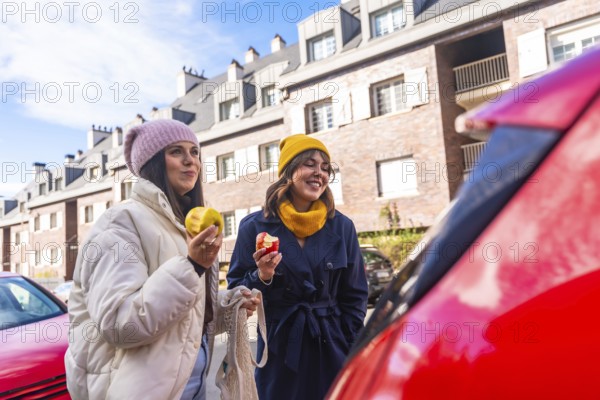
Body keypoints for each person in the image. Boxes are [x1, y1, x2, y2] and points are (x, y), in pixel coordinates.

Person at [64, 119, 259, 400]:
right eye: (176, 151)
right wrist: (192, 266)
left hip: (191, 388)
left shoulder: (185, 225)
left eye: (194, 152)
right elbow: (121, 324)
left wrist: (231, 305)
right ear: (153, 162)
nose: (190, 161)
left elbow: (182, 318)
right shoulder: (119, 223)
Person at [227, 134, 368, 399]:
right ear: (289, 172)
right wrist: (262, 276)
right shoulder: (254, 227)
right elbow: (235, 292)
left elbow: (355, 295)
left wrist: (349, 347)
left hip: (333, 349)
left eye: (325, 168)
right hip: (281, 352)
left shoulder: (341, 227)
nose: (319, 173)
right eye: (310, 164)